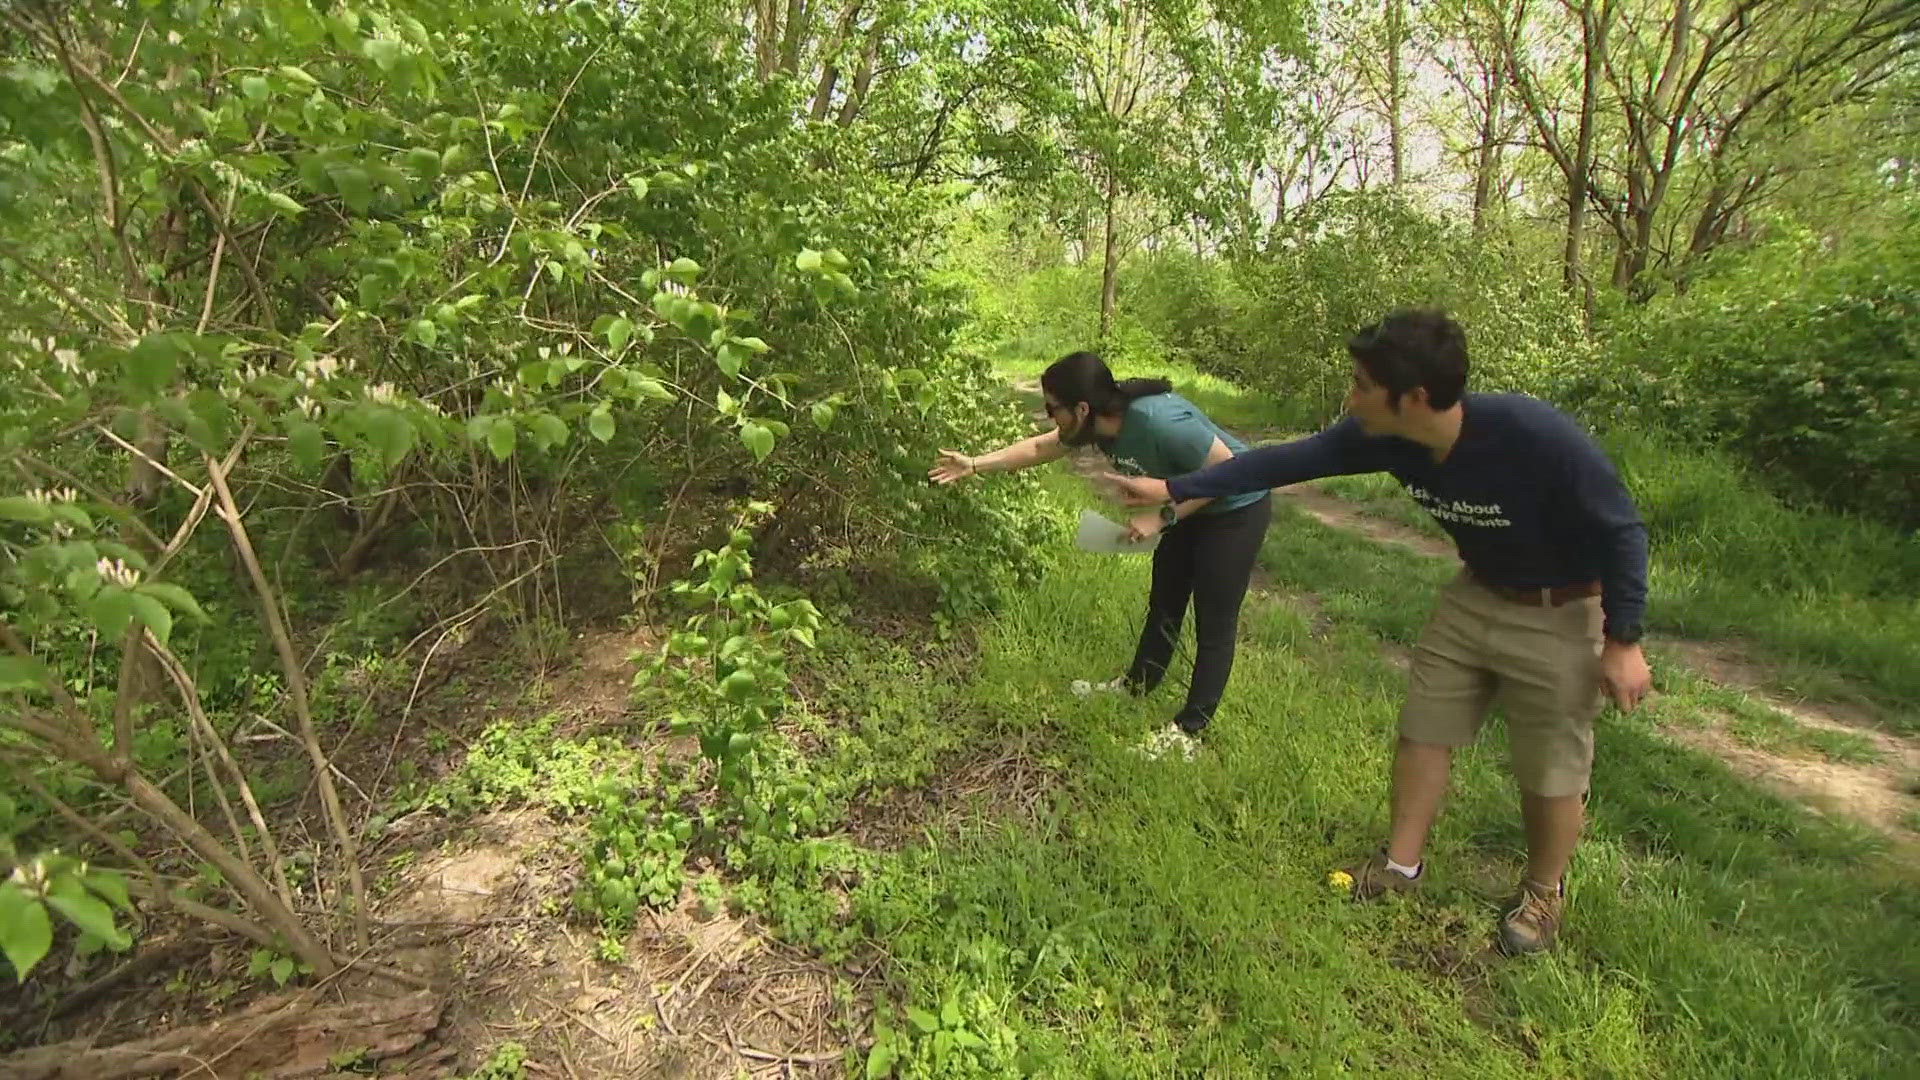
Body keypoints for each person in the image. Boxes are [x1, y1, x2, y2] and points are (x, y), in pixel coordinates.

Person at [1104, 309, 1652, 955]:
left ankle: (1542, 895)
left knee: (1550, 767)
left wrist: (1624, 639)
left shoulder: (1530, 434)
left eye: (1362, 384)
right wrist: (1173, 486)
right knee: (1425, 728)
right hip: (1476, 594)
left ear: (1414, 398)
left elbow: (1622, 530)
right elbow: (1280, 464)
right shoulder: (1380, 435)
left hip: (1562, 609)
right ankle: (1399, 869)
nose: (1350, 397)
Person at [929, 351, 1274, 759]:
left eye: (1051, 408)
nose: (1048, 417)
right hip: (1186, 504)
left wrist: (1162, 516)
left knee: (1215, 620)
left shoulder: (1160, 423)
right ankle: (1137, 686)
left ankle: (1188, 731)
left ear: (1082, 407)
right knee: (1165, 603)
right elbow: (1041, 448)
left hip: (1236, 505)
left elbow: (1230, 473)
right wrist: (973, 464)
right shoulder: (1097, 426)